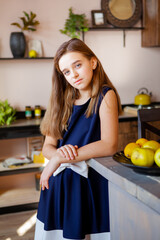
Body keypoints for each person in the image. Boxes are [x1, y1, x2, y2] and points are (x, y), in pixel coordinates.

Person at [34, 38, 121, 240]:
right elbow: (48, 146)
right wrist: (56, 155)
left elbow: (109, 144)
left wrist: (58, 159)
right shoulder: (60, 100)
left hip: (89, 186)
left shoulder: (105, 95)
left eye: (78, 65)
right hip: (57, 187)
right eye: (66, 71)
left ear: (93, 62)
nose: (73, 74)